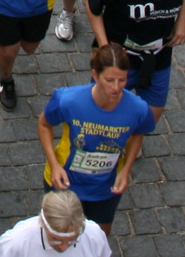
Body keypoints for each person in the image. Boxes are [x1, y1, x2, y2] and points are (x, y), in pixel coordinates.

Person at [38, 41, 155, 227]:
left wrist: (126, 170)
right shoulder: (68, 100)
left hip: (105, 188)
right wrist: (54, 165)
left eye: (122, 80)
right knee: (58, 234)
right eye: (109, 80)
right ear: (95, 75)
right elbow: (44, 124)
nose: (116, 88)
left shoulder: (138, 109)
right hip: (65, 181)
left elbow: (138, 134)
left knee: (99, 237)